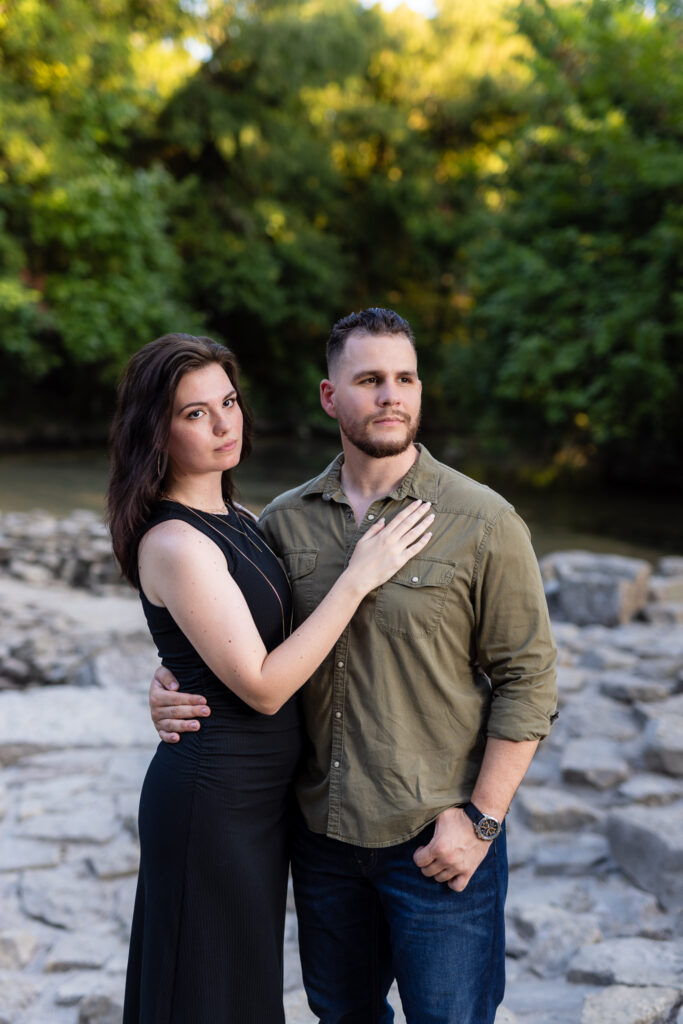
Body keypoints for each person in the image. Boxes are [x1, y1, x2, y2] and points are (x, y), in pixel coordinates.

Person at [149, 310, 558, 1024]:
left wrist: (481, 822)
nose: (389, 396)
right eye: (368, 380)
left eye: (404, 379)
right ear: (329, 397)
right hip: (321, 843)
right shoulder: (281, 521)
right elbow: (242, 642)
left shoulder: (482, 521)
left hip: (435, 842)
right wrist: (168, 684)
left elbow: (528, 680)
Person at [106, 332, 434, 1024]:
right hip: (212, 802)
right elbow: (260, 683)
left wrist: (168, 674)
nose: (226, 423)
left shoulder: (241, 518)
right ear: (156, 432)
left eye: (227, 401)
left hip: (257, 803)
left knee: (241, 986)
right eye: (195, 413)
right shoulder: (173, 540)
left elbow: (236, 640)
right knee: (204, 991)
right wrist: (359, 577)